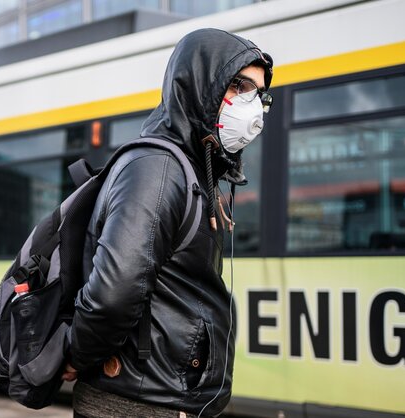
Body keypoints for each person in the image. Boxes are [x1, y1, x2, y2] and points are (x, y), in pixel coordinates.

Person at [63, 29, 273, 417]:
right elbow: (114, 292)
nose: (253, 104)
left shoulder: (190, 170)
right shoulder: (157, 169)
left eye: (259, 94)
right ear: (200, 84)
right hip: (135, 402)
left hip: (159, 396)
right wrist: (77, 355)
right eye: (241, 85)